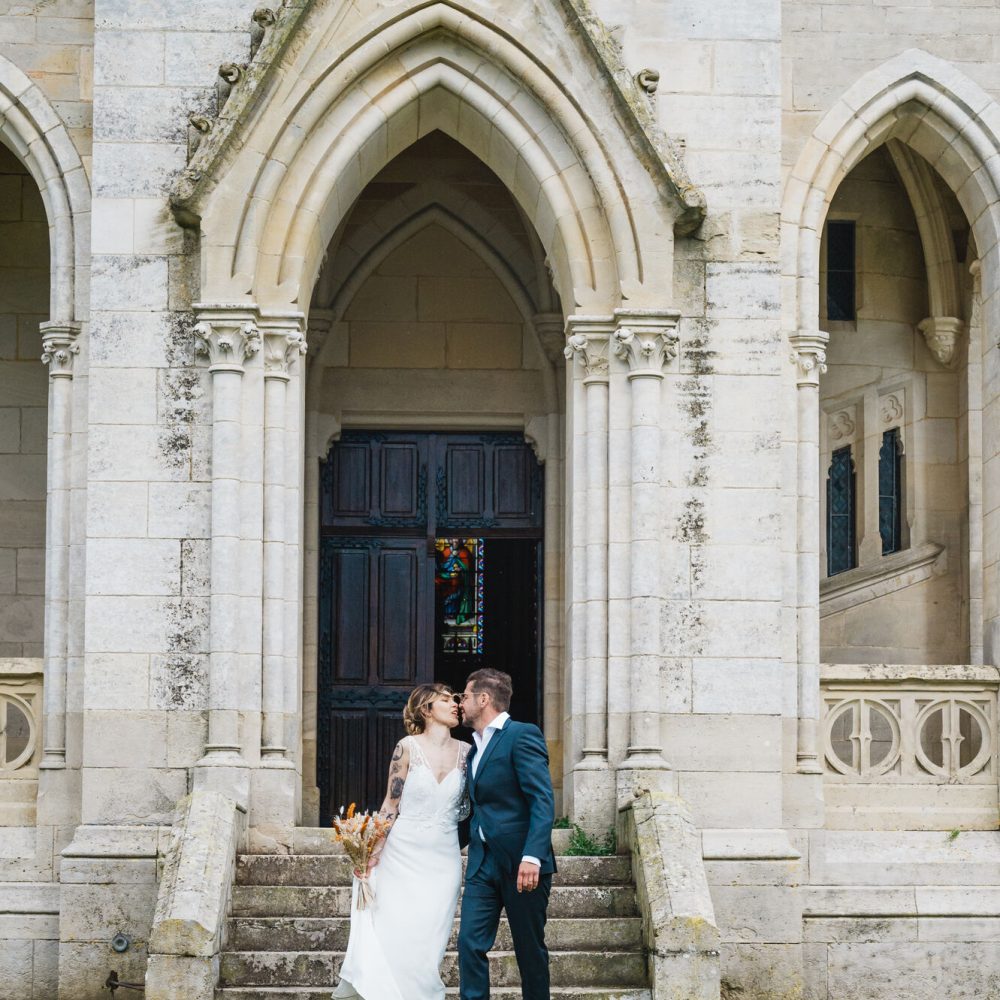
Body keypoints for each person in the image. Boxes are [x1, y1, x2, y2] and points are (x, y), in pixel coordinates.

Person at [332, 683, 470, 1000]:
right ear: (426, 710)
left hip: (443, 856)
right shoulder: (406, 747)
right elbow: (390, 806)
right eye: (446, 700)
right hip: (402, 853)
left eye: (455, 700)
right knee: (397, 927)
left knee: (431, 935)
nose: (455, 704)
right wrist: (371, 851)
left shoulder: (467, 753)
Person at [458, 668, 556, 1000]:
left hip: (521, 864)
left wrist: (533, 856)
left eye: (465, 696)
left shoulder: (522, 734)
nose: (461, 703)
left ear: (483, 699)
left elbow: (541, 799)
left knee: (529, 951)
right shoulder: (473, 749)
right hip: (482, 864)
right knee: (469, 943)